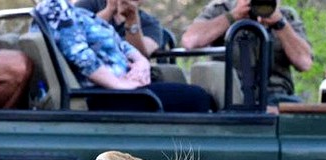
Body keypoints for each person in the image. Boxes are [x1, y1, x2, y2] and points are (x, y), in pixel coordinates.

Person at [35, 0, 214, 112]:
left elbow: (119, 42)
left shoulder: (76, 13)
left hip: (125, 87)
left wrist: (141, 61)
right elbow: (81, 56)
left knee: (192, 94)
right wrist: (119, 85)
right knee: (198, 97)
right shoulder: (55, 7)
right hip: (105, 93)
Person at [180, 0, 312, 103]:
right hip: (230, 100)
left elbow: (305, 63)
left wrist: (279, 24)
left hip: (278, 98)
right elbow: (190, 41)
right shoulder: (220, 10)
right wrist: (233, 16)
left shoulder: (286, 16)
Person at [73, 0, 163, 57]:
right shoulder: (86, 5)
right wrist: (109, 10)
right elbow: (75, 35)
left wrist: (132, 20)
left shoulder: (151, 23)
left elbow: (141, 53)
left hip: (130, 76)